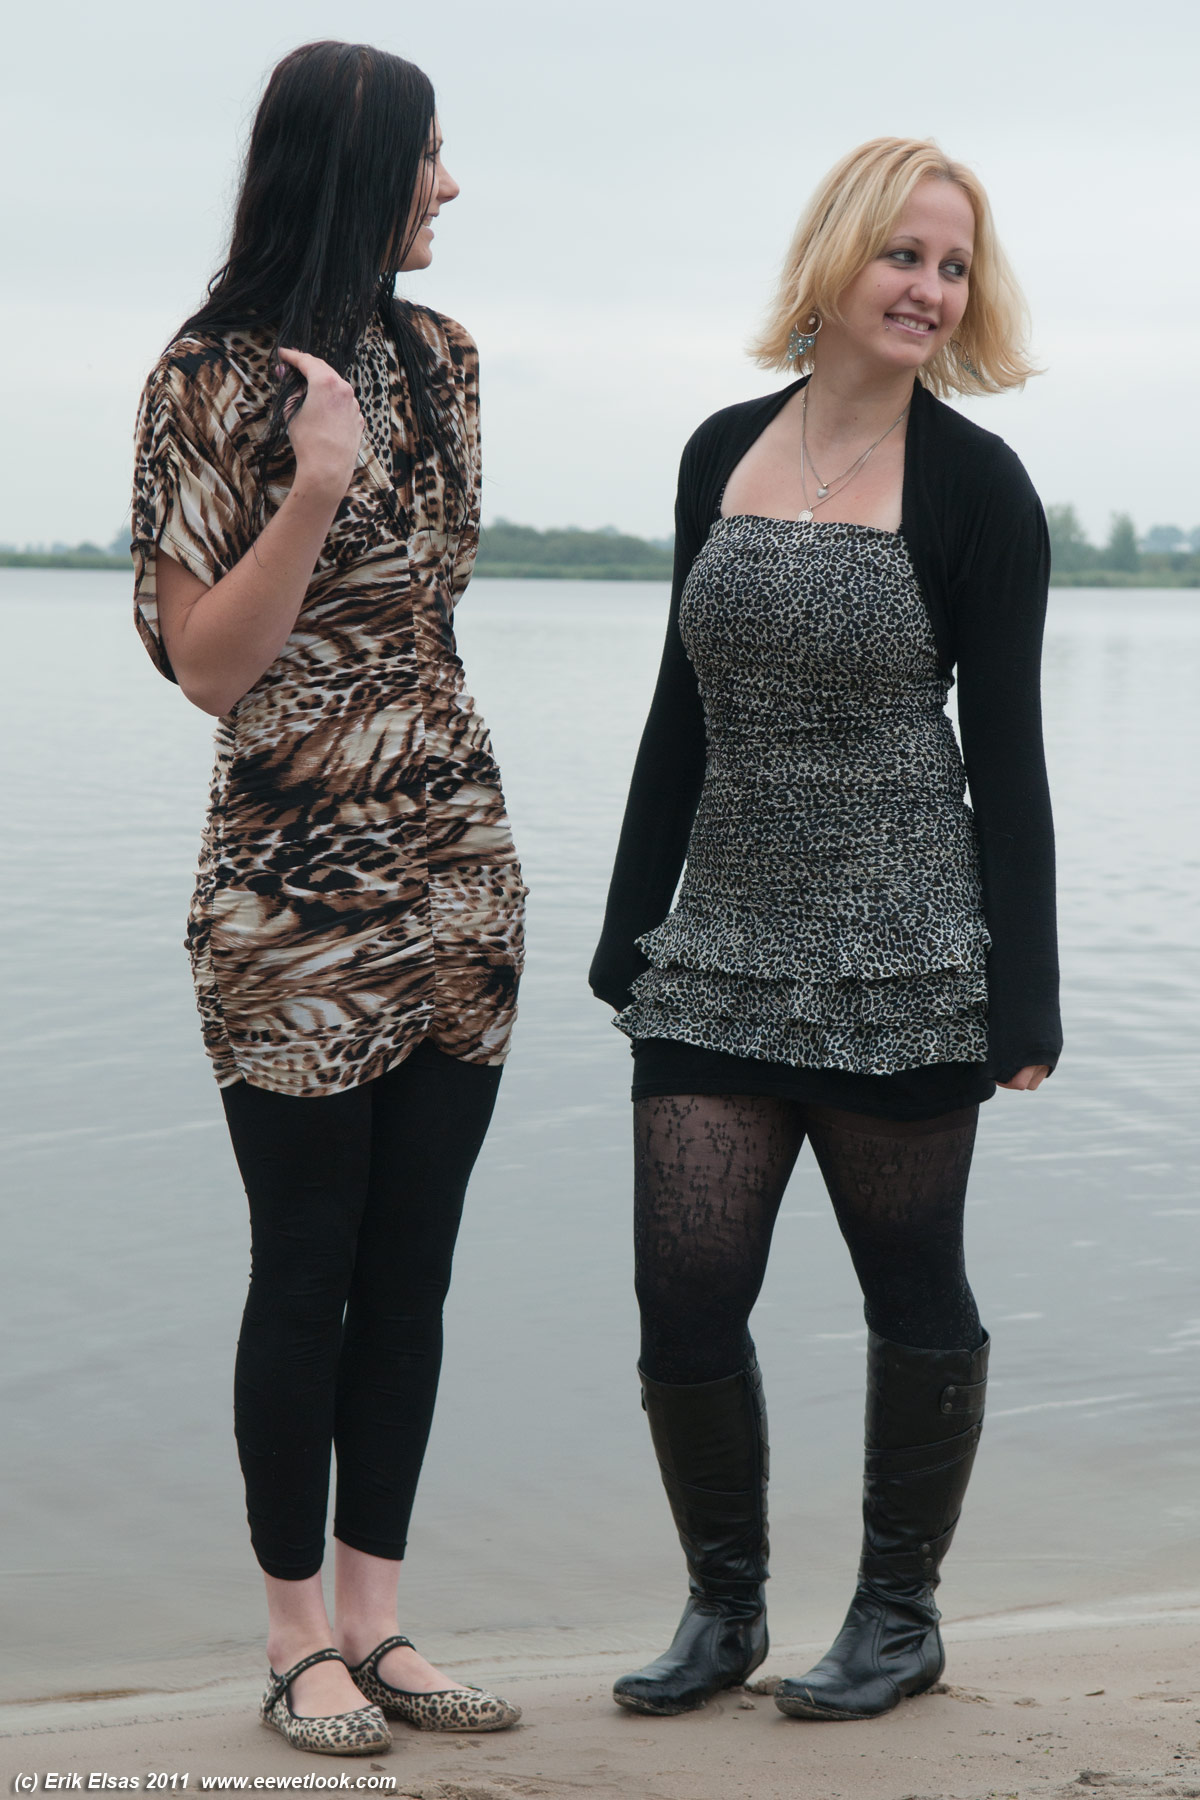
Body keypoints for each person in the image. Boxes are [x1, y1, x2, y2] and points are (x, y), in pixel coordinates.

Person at [589, 137, 1060, 1723]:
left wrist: (1027, 992)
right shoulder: (720, 448)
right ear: (837, 260)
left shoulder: (981, 487)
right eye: (903, 255)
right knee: (683, 1294)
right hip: (717, 942)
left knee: (911, 1290)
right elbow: (680, 706)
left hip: (906, 948)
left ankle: (898, 1618)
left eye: (953, 266)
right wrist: (631, 921)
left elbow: (1009, 753)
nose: (929, 288)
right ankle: (723, 1611)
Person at [131, 41, 526, 1757]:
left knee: (414, 1265)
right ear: (358, 166)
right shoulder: (205, 377)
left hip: (457, 864)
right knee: (307, 1262)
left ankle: (379, 1621)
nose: (450, 185)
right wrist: (312, 482)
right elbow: (209, 670)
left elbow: (428, 611)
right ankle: (295, 1640)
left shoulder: (447, 357)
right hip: (290, 887)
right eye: (430, 156)